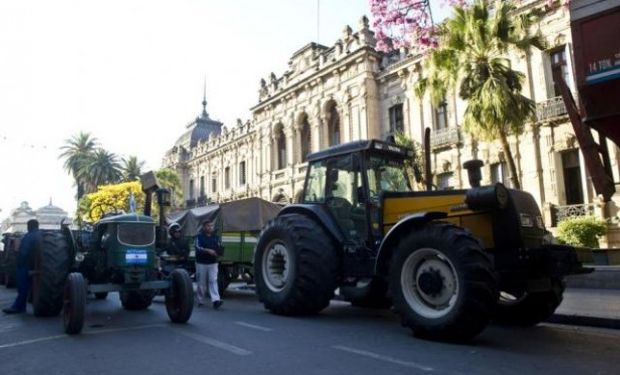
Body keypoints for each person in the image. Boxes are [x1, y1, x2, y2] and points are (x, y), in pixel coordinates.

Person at [3, 219, 40, 314]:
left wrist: (19, 262)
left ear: (29, 226)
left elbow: (24, 252)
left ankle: (18, 307)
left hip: (25, 265)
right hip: (38, 265)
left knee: (22, 287)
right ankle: (21, 306)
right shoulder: (40, 235)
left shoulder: (29, 236)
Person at [194, 220, 223, 309]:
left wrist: (217, 253)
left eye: (211, 226)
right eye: (208, 226)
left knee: (213, 281)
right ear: (204, 227)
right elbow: (198, 247)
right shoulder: (199, 237)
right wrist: (208, 251)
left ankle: (216, 300)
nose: (210, 228)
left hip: (213, 262)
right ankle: (200, 300)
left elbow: (220, 247)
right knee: (201, 282)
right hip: (201, 263)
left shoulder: (216, 237)